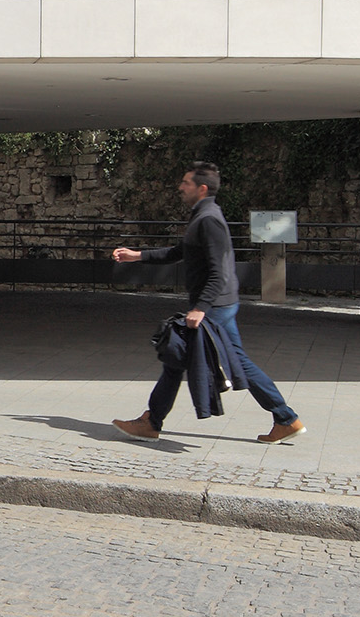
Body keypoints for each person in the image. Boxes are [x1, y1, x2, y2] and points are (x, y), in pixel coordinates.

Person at [110, 160, 303, 442]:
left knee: (180, 358)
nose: (180, 187)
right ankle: (285, 418)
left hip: (214, 308)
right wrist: (138, 255)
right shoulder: (203, 215)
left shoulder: (209, 220)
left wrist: (201, 307)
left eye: (185, 183)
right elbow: (181, 251)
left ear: (201, 188)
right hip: (217, 305)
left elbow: (219, 271)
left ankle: (152, 422)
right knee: (182, 359)